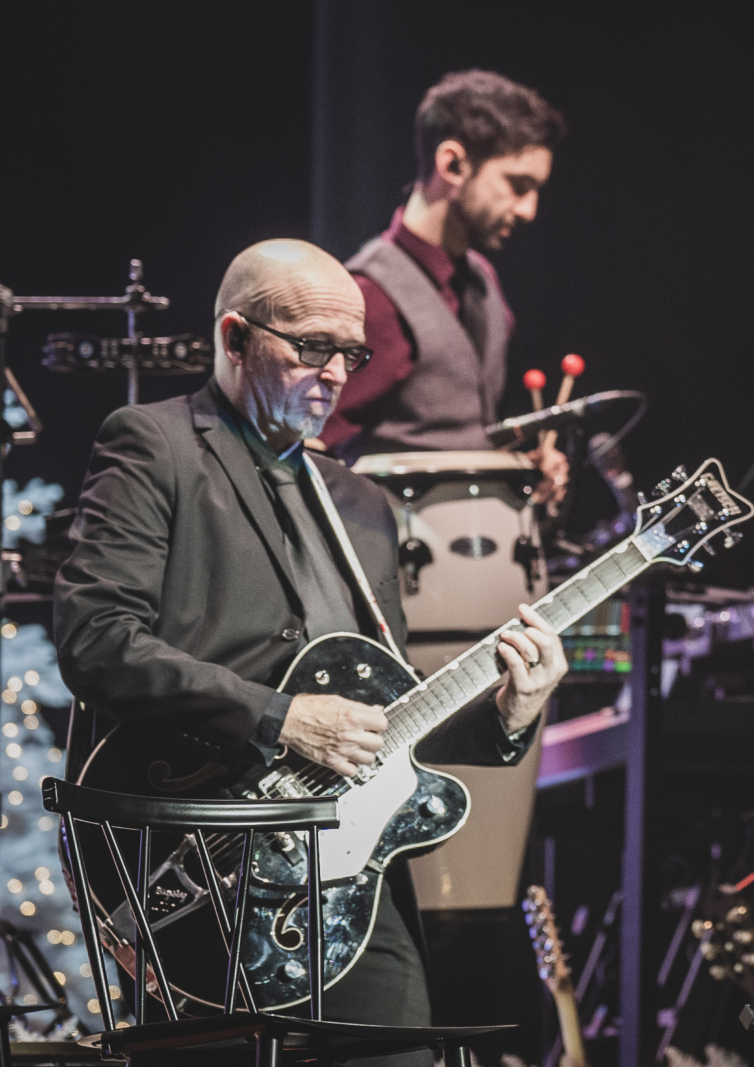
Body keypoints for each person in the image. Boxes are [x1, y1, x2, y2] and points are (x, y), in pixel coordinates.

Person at [54, 240, 568, 1063]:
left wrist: (509, 713)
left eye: (351, 353)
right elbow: (96, 638)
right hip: (204, 853)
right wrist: (281, 717)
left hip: (348, 883)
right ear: (234, 337)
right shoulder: (155, 446)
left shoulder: (362, 503)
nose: (336, 372)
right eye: (312, 346)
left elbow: (383, 719)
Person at [318, 68, 568, 495]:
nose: (529, 210)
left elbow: (457, 436)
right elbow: (308, 447)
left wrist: (518, 466)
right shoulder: (370, 295)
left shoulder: (483, 280)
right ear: (452, 163)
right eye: (518, 185)